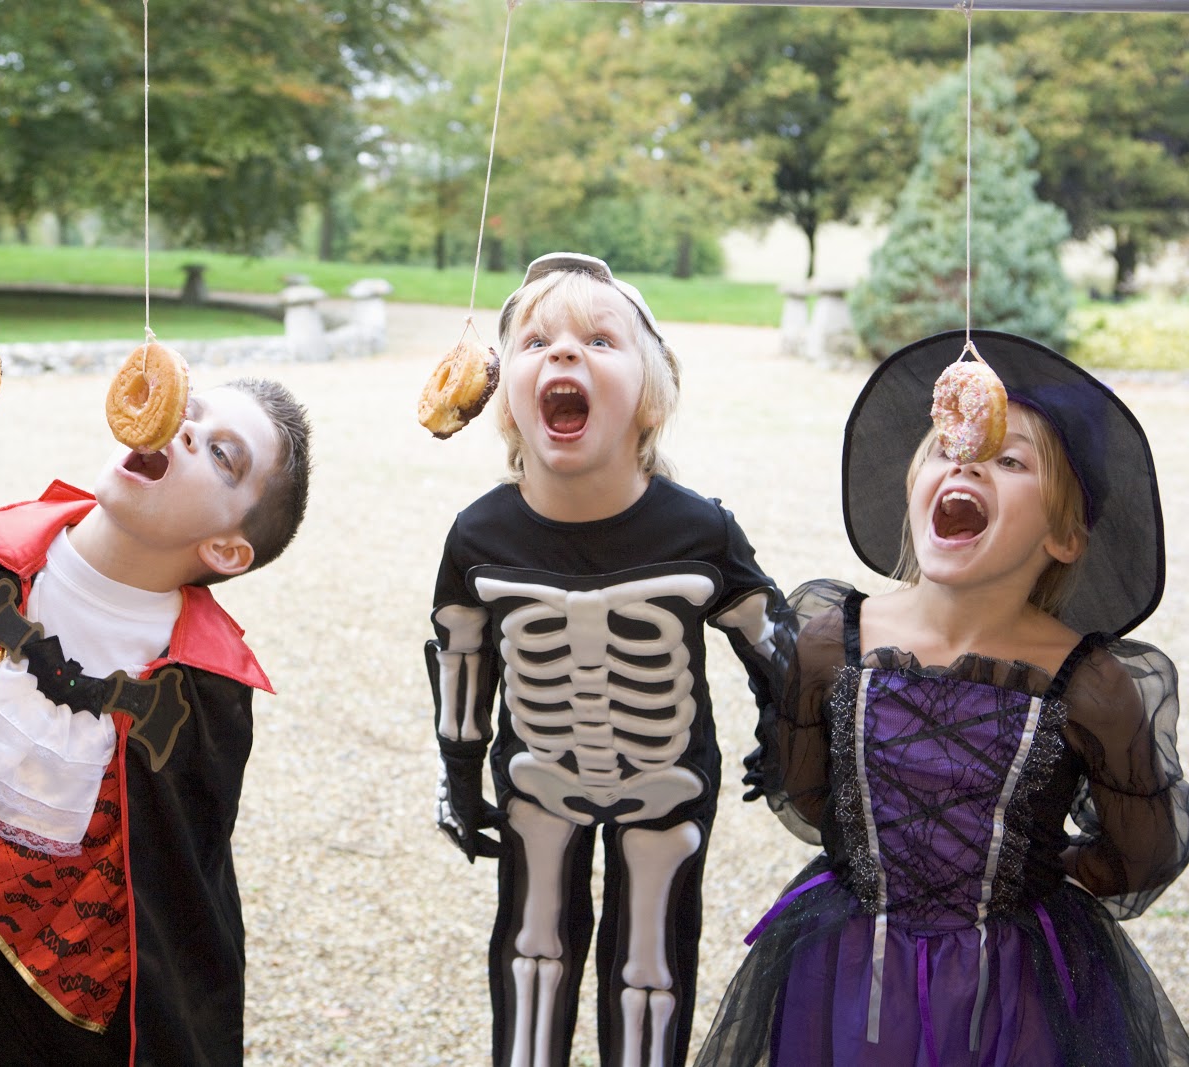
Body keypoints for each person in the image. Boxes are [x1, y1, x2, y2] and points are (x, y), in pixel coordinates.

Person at [696, 330, 1189, 1066]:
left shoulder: (1092, 686)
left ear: (1065, 534)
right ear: (914, 483)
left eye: (1010, 458)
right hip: (847, 977)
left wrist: (1030, 864)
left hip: (1015, 993)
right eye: (945, 447)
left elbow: (1142, 855)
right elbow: (808, 789)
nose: (965, 460)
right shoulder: (835, 643)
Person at [427, 253, 795, 1067]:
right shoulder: (479, 536)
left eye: (600, 338)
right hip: (538, 783)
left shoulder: (700, 532)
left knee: (652, 968)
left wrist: (791, 740)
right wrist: (458, 776)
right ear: (505, 400)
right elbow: (461, 650)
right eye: (536, 341)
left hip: (664, 789)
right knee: (534, 954)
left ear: (650, 395)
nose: (564, 353)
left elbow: (775, 643)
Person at [0, 378, 310, 1066]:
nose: (184, 430)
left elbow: (184, 890)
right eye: (190, 410)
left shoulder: (204, 695)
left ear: (227, 550)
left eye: (220, 454)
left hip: (88, 1027)